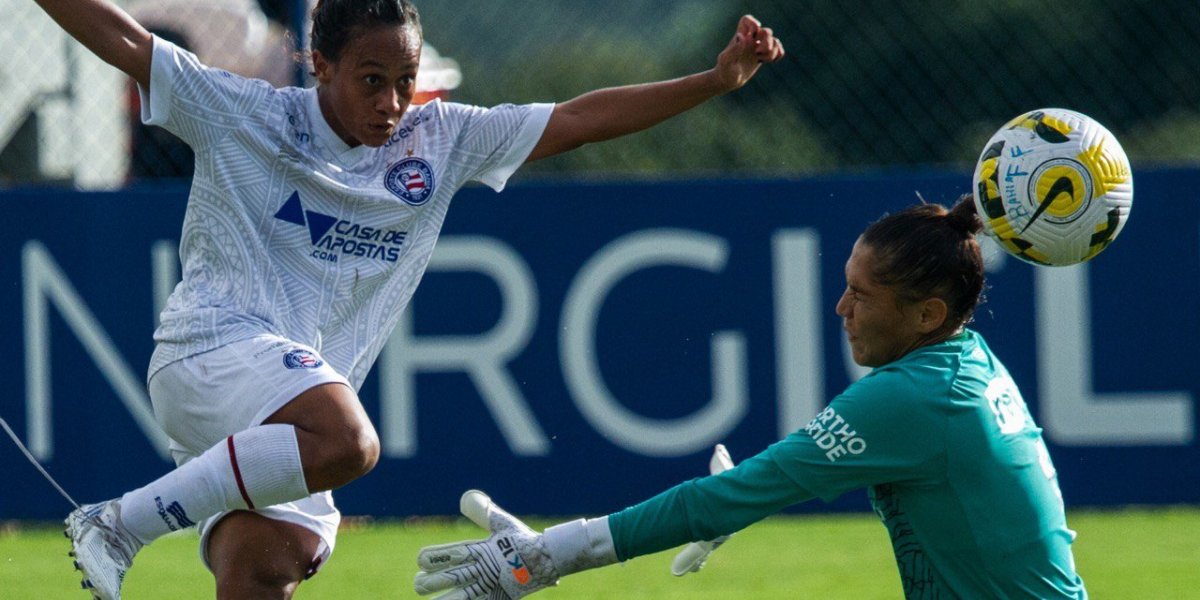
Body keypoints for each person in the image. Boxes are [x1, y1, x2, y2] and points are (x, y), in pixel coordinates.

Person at [34, 0, 785, 598]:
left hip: (273, 412)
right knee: (349, 445)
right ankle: (120, 524)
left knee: (271, 562)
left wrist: (715, 80)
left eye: (406, 78)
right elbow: (123, 40)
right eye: (370, 78)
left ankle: (140, 526)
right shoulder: (246, 112)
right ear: (320, 65)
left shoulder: (442, 139)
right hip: (210, 353)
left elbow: (581, 119)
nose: (392, 101)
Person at [415, 198, 1089, 599]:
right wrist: (745, 495)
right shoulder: (964, 364)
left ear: (926, 314)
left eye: (862, 295)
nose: (840, 308)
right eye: (845, 284)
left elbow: (728, 495)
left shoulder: (914, 398)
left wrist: (546, 555)